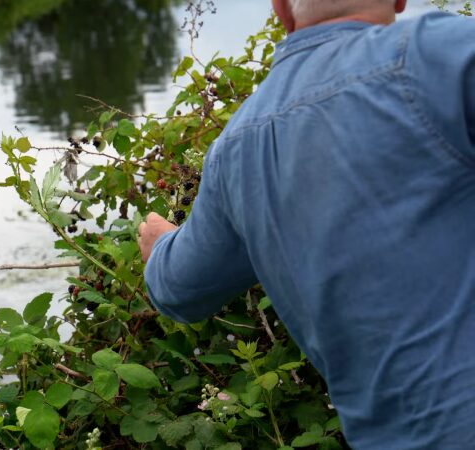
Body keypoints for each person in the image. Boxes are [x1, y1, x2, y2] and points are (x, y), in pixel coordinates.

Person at [138, 0, 475, 448]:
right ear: (398, 0)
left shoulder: (235, 147)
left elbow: (177, 289)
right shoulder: (441, 53)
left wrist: (160, 245)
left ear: (281, 8)